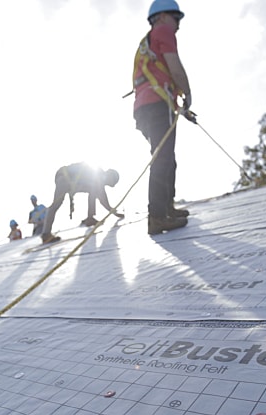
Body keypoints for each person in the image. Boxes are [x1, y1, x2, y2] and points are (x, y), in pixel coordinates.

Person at [132, 0, 191, 235]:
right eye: (177, 18)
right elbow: (174, 66)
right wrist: (188, 92)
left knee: (166, 156)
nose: (178, 25)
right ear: (164, 16)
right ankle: (157, 216)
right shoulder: (163, 31)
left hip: (144, 107)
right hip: (156, 105)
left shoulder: (146, 41)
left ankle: (167, 207)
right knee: (163, 157)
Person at [39, 163, 125, 244]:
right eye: (109, 183)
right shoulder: (99, 175)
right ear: (110, 177)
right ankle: (46, 234)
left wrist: (113, 211)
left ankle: (90, 218)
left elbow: (101, 196)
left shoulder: (98, 177)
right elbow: (103, 198)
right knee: (56, 205)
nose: (106, 184)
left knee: (93, 190)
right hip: (65, 178)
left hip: (65, 178)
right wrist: (113, 211)